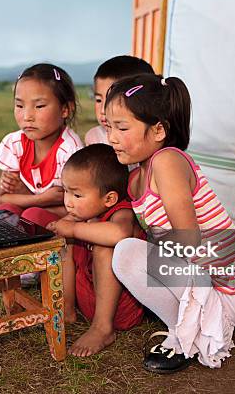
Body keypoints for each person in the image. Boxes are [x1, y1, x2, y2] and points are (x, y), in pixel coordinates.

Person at [105, 74, 235, 373]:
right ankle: (189, 326)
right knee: (128, 254)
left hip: (223, 289)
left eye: (122, 127)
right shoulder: (137, 175)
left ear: (159, 129)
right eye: (109, 126)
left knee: (127, 252)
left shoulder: (168, 162)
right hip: (197, 280)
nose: (111, 136)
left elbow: (188, 239)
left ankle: (186, 336)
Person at [47, 144, 144, 357]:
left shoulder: (121, 211)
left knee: (104, 247)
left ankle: (103, 329)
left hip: (120, 308)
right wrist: (64, 229)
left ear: (109, 199)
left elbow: (119, 234)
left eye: (77, 195)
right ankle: (67, 309)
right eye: (66, 192)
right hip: (88, 299)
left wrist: (73, 227)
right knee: (65, 242)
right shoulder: (84, 213)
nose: (68, 202)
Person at [0, 63, 83, 284]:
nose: (27, 116)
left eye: (39, 106)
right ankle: (11, 262)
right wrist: (41, 199)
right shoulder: (14, 144)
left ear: (65, 109)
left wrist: (27, 201)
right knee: (4, 212)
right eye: (19, 105)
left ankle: (31, 268)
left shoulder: (70, 150)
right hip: (36, 214)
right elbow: (2, 199)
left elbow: (72, 207)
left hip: (65, 223)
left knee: (31, 215)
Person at [85, 56, 155, 146]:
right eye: (98, 100)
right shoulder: (94, 138)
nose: (103, 110)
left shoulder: (150, 145)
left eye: (111, 101)